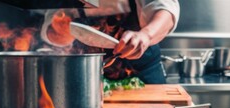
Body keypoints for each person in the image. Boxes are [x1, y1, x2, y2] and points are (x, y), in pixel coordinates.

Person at [40, 0, 180, 84]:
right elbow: (52, 33)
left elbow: (166, 9)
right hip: (87, 80)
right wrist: (61, 29)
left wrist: (146, 36)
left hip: (142, 74)